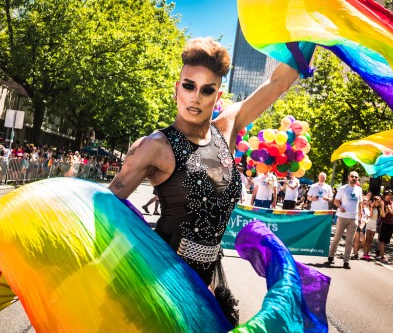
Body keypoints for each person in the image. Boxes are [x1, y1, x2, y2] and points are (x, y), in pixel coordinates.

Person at [108, 37, 302, 290]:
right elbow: (105, 209)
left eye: (207, 90)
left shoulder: (226, 129)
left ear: (218, 95)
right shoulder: (155, 146)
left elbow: (278, 83)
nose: (196, 98)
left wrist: (314, 27)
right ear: (177, 88)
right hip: (161, 282)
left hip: (207, 278)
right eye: (189, 86)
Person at [328, 171, 363, 269]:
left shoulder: (359, 189)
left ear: (357, 179)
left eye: (356, 177)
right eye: (352, 176)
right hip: (343, 217)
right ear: (349, 177)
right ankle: (331, 255)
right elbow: (335, 201)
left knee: (349, 241)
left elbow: (360, 203)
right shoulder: (343, 188)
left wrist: (360, 217)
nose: (354, 178)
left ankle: (346, 261)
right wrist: (340, 207)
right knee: (337, 238)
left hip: (353, 219)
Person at [362, 194, 384, 260]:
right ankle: (365, 254)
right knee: (367, 240)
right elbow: (370, 215)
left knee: (371, 240)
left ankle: (367, 254)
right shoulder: (370, 207)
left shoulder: (379, 209)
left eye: (378, 201)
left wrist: (382, 206)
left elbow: (383, 215)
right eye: (376, 200)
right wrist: (372, 206)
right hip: (369, 223)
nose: (377, 202)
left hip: (374, 224)